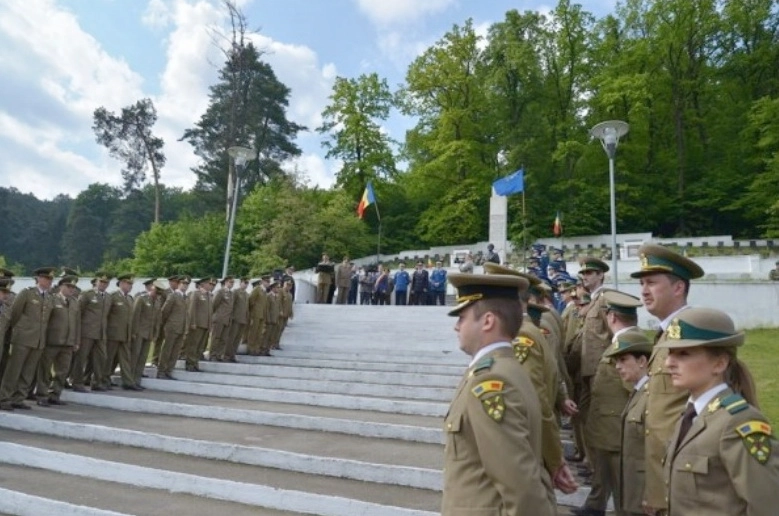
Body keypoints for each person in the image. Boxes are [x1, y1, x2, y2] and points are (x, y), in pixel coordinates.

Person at [442, 272, 555, 516]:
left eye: (462, 317)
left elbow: (520, 484)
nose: (456, 326)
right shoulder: (500, 369)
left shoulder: (492, 380)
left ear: (487, 321)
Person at [658, 307, 779, 516]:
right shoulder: (691, 416)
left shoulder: (737, 422)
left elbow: (767, 505)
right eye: (670, 353)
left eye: (684, 353)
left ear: (719, 363)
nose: (669, 363)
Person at [629, 243, 704, 515]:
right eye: (642, 284)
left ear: (678, 287)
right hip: (663, 473)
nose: (643, 291)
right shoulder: (667, 333)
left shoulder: (692, 334)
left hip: (685, 480)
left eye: (651, 282)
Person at [573, 290, 641, 516]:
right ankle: (595, 505)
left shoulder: (628, 344)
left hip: (617, 429)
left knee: (623, 489)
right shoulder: (620, 342)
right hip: (608, 427)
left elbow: (636, 389)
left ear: (611, 317)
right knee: (605, 473)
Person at [602, 328, 653, 516]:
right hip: (633, 491)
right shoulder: (638, 392)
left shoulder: (652, 396)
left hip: (644, 493)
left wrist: (653, 491)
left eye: (623, 360)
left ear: (642, 361)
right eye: (617, 361)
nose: (618, 366)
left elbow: (657, 448)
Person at [0, 267, 56, 411]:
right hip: (22, 338)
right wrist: (17, 332)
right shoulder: (27, 293)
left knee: (28, 372)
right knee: (14, 370)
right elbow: (15, 314)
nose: (49, 281)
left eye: (51, 279)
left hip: (38, 340)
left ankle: (19, 398)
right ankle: (4, 397)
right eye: (47, 278)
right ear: (39, 279)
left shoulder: (49, 297)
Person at [71, 271, 112, 392]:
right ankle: (77, 382)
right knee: (81, 358)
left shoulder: (108, 297)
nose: (103, 284)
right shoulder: (87, 294)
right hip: (87, 332)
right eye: (101, 282)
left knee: (101, 358)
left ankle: (97, 382)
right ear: (96, 282)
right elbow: (78, 313)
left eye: (106, 282)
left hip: (101, 333)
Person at [104, 273, 136, 391]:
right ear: (121, 283)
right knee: (109, 358)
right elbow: (105, 315)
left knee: (125, 358)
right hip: (113, 333)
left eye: (131, 284)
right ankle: (104, 379)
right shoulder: (113, 296)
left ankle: (128, 382)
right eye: (128, 283)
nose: (130, 286)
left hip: (125, 334)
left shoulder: (129, 298)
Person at [157, 275, 187, 380]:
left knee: (175, 352)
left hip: (181, 327)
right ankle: (161, 371)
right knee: (167, 350)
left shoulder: (185, 297)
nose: (185, 286)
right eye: (183, 283)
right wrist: (167, 323)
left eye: (187, 284)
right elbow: (165, 311)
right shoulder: (173, 296)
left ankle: (169, 371)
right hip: (172, 327)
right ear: (178, 284)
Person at [184, 278, 213, 372]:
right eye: (208, 283)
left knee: (200, 346)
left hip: (205, 325)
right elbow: (191, 309)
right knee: (193, 345)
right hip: (197, 324)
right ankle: (190, 364)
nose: (210, 285)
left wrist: (210, 325)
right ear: (203, 284)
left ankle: (195, 363)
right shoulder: (196, 294)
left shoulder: (209, 295)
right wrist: (192, 322)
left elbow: (210, 312)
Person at [209, 276, 234, 362]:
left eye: (233, 282)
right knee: (216, 337)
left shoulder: (231, 293)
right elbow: (214, 304)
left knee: (223, 339)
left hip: (227, 319)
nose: (232, 284)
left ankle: (219, 355)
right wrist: (215, 316)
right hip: (219, 318)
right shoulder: (220, 291)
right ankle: (212, 355)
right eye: (230, 282)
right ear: (226, 282)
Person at [226, 277, 249, 363]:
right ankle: (227, 355)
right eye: (245, 282)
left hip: (243, 319)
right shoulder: (235, 292)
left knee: (237, 339)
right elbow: (231, 305)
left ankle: (232, 355)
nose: (246, 285)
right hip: (235, 318)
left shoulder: (246, 294)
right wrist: (231, 316)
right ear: (240, 283)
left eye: (247, 283)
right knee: (231, 338)